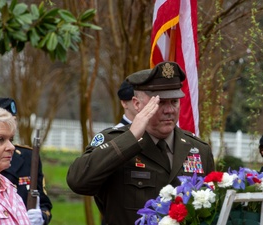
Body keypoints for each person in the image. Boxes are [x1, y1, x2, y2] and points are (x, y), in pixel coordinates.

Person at [67, 61, 215, 225]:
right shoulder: (115, 142)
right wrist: (130, 138)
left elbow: (211, 210)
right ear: (137, 104)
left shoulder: (199, 150)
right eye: (160, 102)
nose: (169, 110)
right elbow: (78, 181)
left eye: (174, 102)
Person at [0, 98, 52, 225]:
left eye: (13, 121)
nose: (12, 127)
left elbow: (44, 203)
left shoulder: (29, 157)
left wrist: (41, 217)